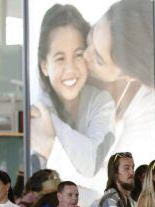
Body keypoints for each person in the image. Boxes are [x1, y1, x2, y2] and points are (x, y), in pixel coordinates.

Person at [75, 0, 155, 207]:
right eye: (92, 34)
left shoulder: (147, 118)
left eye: (99, 59)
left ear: (128, 76)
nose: (85, 55)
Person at [31, 3, 114, 185]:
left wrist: (52, 123)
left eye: (78, 55)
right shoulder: (36, 107)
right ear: (44, 65)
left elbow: (91, 163)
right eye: (60, 58)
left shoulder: (101, 101)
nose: (70, 69)